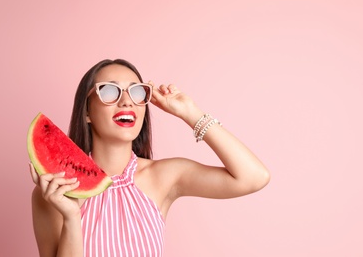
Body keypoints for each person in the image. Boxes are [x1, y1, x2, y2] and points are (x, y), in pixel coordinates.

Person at [29, 58, 270, 257]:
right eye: (110, 91)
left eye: (136, 92)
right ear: (87, 111)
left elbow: (253, 177)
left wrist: (190, 113)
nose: (126, 101)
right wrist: (71, 218)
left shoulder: (163, 177)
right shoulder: (55, 190)